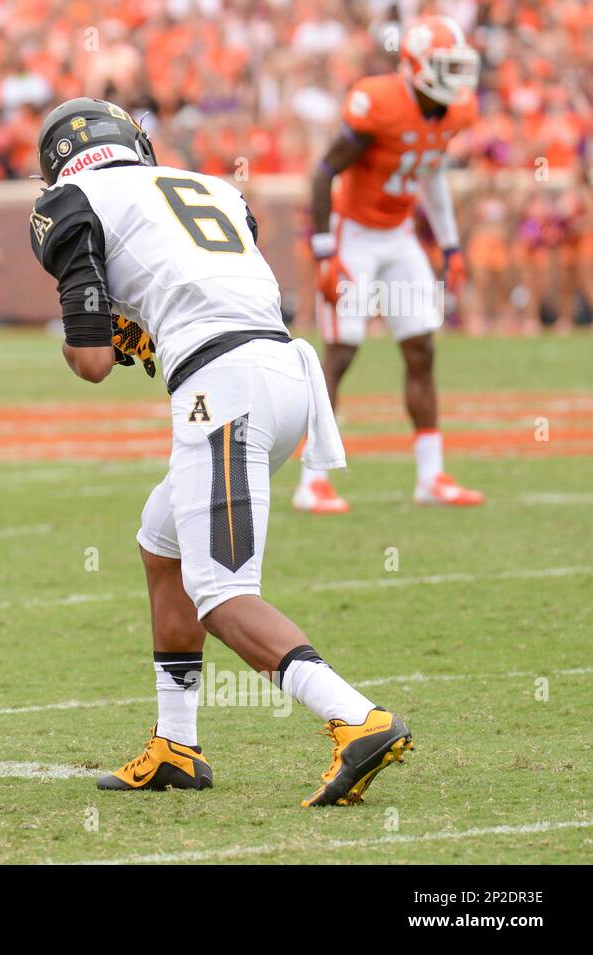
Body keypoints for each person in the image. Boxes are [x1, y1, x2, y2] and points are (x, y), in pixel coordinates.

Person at [29, 97, 411, 807]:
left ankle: (357, 716)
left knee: (224, 593)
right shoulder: (212, 188)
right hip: (286, 376)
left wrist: (101, 330)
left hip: (223, 387)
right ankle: (176, 745)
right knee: (161, 539)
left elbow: (89, 361)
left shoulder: (69, 201)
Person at [295, 14, 485, 514]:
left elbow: (433, 175)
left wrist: (451, 245)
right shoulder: (377, 103)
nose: (457, 78)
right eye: (445, 66)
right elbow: (323, 173)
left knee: (421, 347)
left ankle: (431, 476)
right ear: (417, 65)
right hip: (352, 233)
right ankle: (312, 481)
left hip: (399, 235)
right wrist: (324, 252)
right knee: (342, 351)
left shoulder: (455, 111)